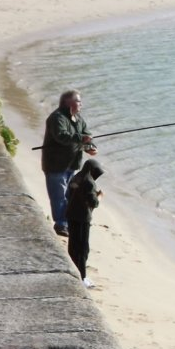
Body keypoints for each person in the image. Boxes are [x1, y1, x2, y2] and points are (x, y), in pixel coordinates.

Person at [41, 89, 96, 236]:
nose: (81, 104)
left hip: (71, 165)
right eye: (78, 101)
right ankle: (61, 224)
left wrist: (90, 147)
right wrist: (81, 138)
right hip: (55, 165)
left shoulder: (78, 119)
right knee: (58, 196)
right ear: (68, 102)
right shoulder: (56, 118)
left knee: (69, 195)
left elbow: (86, 136)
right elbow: (61, 136)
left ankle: (67, 222)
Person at [65, 159, 104, 288]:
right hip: (82, 218)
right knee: (82, 249)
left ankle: (73, 271)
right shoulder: (89, 182)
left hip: (71, 215)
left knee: (73, 246)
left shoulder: (77, 177)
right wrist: (99, 196)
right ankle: (82, 277)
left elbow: (69, 194)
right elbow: (93, 203)